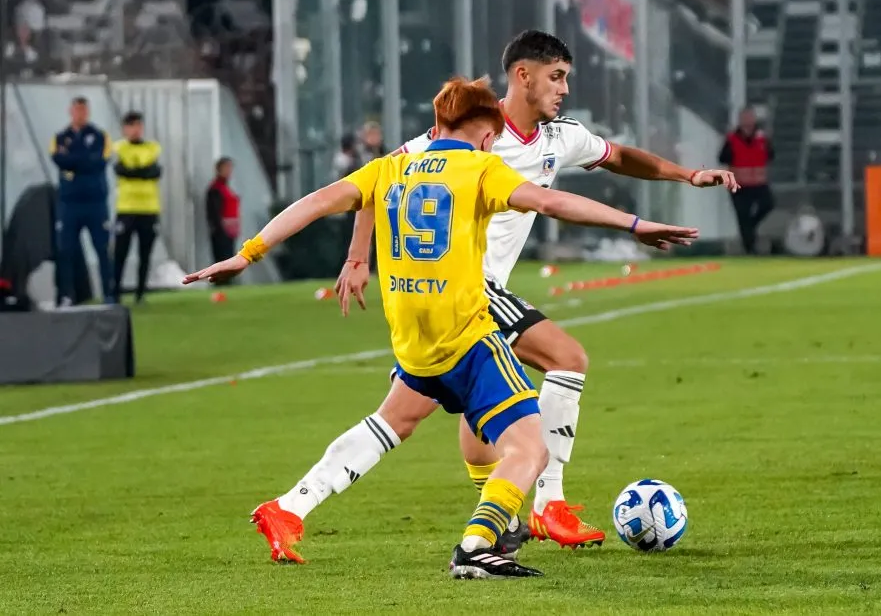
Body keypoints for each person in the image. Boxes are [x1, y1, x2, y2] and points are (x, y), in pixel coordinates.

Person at [182, 77, 699, 578]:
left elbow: (317, 202)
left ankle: (288, 507)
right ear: (484, 130)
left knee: (392, 423)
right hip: (465, 334)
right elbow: (551, 202)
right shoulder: (479, 168)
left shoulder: (389, 167)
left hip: (413, 336)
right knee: (529, 447)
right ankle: (478, 544)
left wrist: (246, 254)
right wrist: (634, 225)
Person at [335, 29, 738, 552]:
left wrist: (689, 176)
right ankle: (549, 504)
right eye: (556, 77)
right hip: (463, 285)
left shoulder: (560, 137)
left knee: (475, 416)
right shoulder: (469, 135)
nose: (564, 88)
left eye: (566, 78)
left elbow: (619, 156)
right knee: (567, 358)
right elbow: (375, 180)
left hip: (480, 293)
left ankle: (499, 518)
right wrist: (357, 255)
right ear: (521, 76)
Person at [50, 97, 114, 306]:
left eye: (83, 110)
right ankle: (66, 295)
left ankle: (108, 294)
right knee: (66, 250)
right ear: (70, 111)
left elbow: (99, 162)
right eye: (76, 110)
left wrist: (74, 163)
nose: (80, 114)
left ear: (88, 111)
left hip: (95, 203)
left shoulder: (99, 136)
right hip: (70, 203)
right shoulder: (59, 138)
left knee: (103, 249)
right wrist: (83, 160)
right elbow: (59, 160)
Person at [112, 112, 162, 304]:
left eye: (139, 125)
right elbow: (121, 170)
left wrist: (134, 172)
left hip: (149, 208)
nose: (136, 129)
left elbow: (154, 172)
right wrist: (141, 172)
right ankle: (114, 292)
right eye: (132, 125)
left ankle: (141, 293)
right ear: (125, 128)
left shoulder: (152, 147)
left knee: (145, 254)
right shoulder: (119, 148)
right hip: (126, 208)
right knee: (120, 253)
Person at [719, 106, 774, 254]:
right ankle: (750, 248)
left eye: (750, 117)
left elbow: (770, 156)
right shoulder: (732, 139)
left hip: (758, 183)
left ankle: (751, 230)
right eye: (744, 118)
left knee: (767, 205)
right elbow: (723, 158)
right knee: (742, 215)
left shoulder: (762, 138)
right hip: (739, 184)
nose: (747, 121)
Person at [205, 157, 241, 274]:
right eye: (226, 168)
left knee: (230, 258)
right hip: (221, 231)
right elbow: (214, 212)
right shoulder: (216, 188)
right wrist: (220, 229)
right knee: (223, 258)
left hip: (230, 231)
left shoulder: (226, 187)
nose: (229, 171)